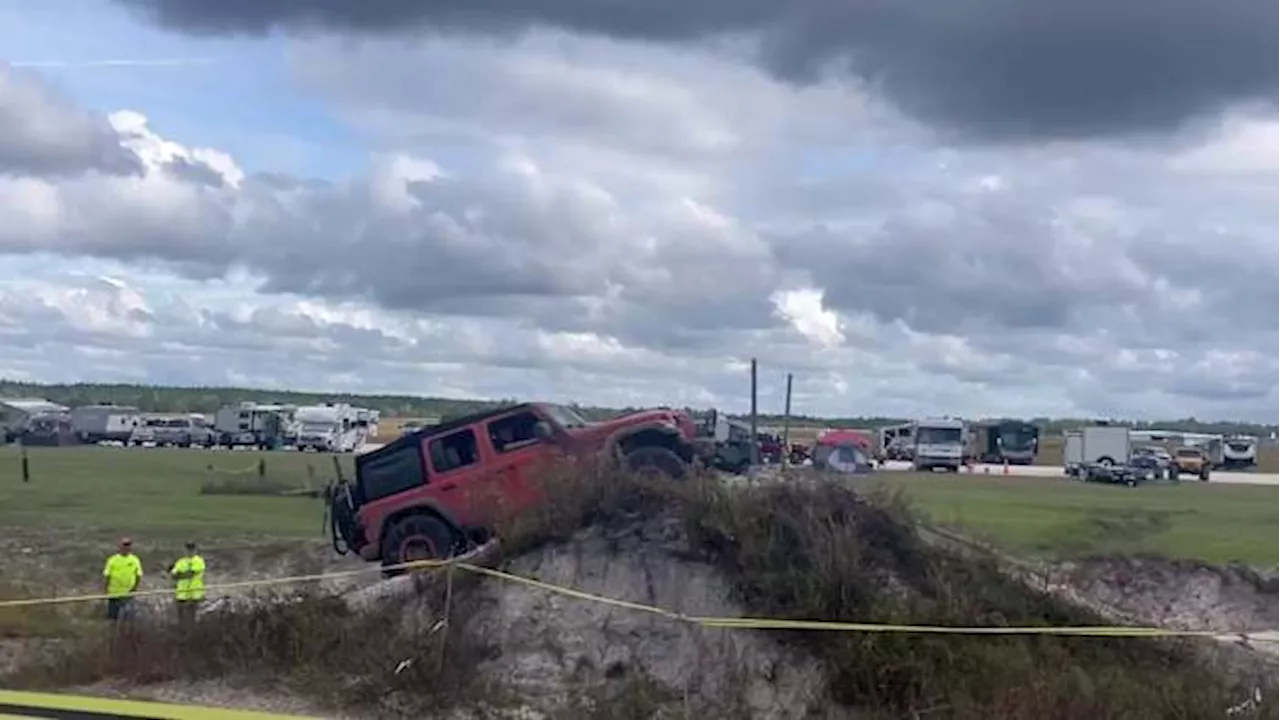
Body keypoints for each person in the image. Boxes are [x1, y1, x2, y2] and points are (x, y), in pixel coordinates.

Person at [102, 538, 143, 621]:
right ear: (120, 547)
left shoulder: (135, 560)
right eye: (124, 546)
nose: (126, 548)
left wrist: (134, 588)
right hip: (114, 593)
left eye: (128, 546)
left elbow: (138, 575)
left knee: (128, 617)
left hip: (128, 594)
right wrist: (105, 589)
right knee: (113, 617)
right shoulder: (112, 560)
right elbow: (107, 575)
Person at [169, 541, 206, 625]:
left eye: (191, 549)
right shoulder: (180, 561)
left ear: (195, 550)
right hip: (182, 593)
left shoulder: (199, 560)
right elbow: (173, 575)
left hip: (195, 592)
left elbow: (191, 573)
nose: (190, 551)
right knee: (181, 616)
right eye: (188, 549)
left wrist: (180, 575)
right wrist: (181, 575)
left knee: (192, 615)